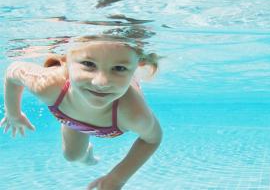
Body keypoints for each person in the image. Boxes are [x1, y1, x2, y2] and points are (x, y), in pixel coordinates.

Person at [0, 33, 163, 190]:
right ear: (65, 58)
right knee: (72, 156)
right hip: (70, 116)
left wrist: (115, 180)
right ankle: (88, 158)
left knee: (71, 156)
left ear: (137, 65)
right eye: (89, 64)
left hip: (78, 113)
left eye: (119, 68)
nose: (101, 82)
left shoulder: (134, 114)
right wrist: (13, 113)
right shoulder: (48, 85)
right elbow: (13, 71)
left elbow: (152, 139)